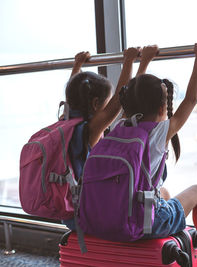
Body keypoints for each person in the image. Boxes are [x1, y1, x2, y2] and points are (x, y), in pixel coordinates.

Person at [118, 39, 197, 267]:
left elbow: (132, 95)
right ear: (163, 108)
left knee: (163, 192)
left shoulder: (118, 128)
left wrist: (144, 62)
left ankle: (175, 242)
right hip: (142, 223)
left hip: (115, 215)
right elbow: (191, 99)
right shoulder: (159, 132)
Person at [63, 45, 159, 230]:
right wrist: (131, 60)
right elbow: (121, 98)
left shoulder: (65, 122)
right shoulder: (89, 129)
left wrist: (77, 65)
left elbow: (71, 93)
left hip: (69, 211)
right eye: (104, 103)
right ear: (96, 104)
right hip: (85, 214)